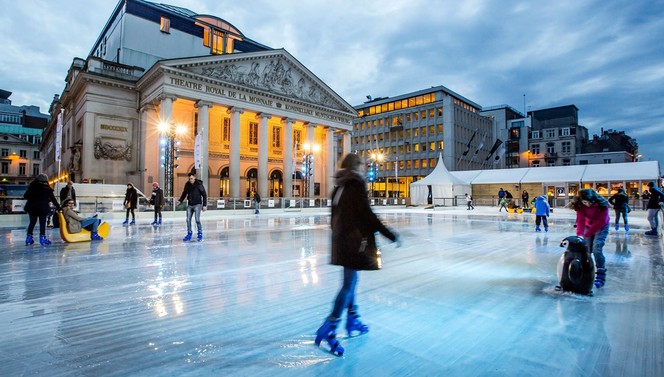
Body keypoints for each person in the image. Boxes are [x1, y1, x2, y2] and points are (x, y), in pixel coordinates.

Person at [315, 153, 401, 357]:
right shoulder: (355, 184)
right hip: (353, 243)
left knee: (351, 281)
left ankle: (352, 319)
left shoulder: (339, 186)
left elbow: (334, 217)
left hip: (342, 241)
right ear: (356, 167)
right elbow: (368, 215)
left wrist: (340, 236)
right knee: (348, 285)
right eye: (362, 165)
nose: (364, 168)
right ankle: (330, 328)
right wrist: (391, 235)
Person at [571, 188, 610, 288]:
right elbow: (580, 220)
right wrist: (580, 234)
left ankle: (601, 273)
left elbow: (600, 222)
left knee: (597, 249)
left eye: (590, 202)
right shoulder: (580, 205)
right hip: (588, 226)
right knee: (586, 249)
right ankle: (586, 270)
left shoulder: (602, 205)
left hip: (601, 227)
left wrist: (587, 234)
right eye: (585, 202)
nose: (588, 204)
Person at [23, 174, 60, 245]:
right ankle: (42, 238)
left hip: (32, 207)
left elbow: (26, 196)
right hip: (43, 208)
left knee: (32, 222)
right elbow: (53, 199)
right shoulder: (47, 188)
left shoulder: (32, 187)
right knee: (42, 223)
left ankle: (29, 237)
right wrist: (58, 206)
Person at [178, 173, 207, 241]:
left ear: (194, 177)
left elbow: (204, 195)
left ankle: (200, 233)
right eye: (189, 179)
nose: (190, 180)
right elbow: (184, 193)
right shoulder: (187, 184)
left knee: (197, 219)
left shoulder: (199, 185)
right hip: (190, 205)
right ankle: (189, 233)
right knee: (188, 220)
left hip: (197, 204)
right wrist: (180, 201)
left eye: (191, 178)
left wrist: (204, 205)